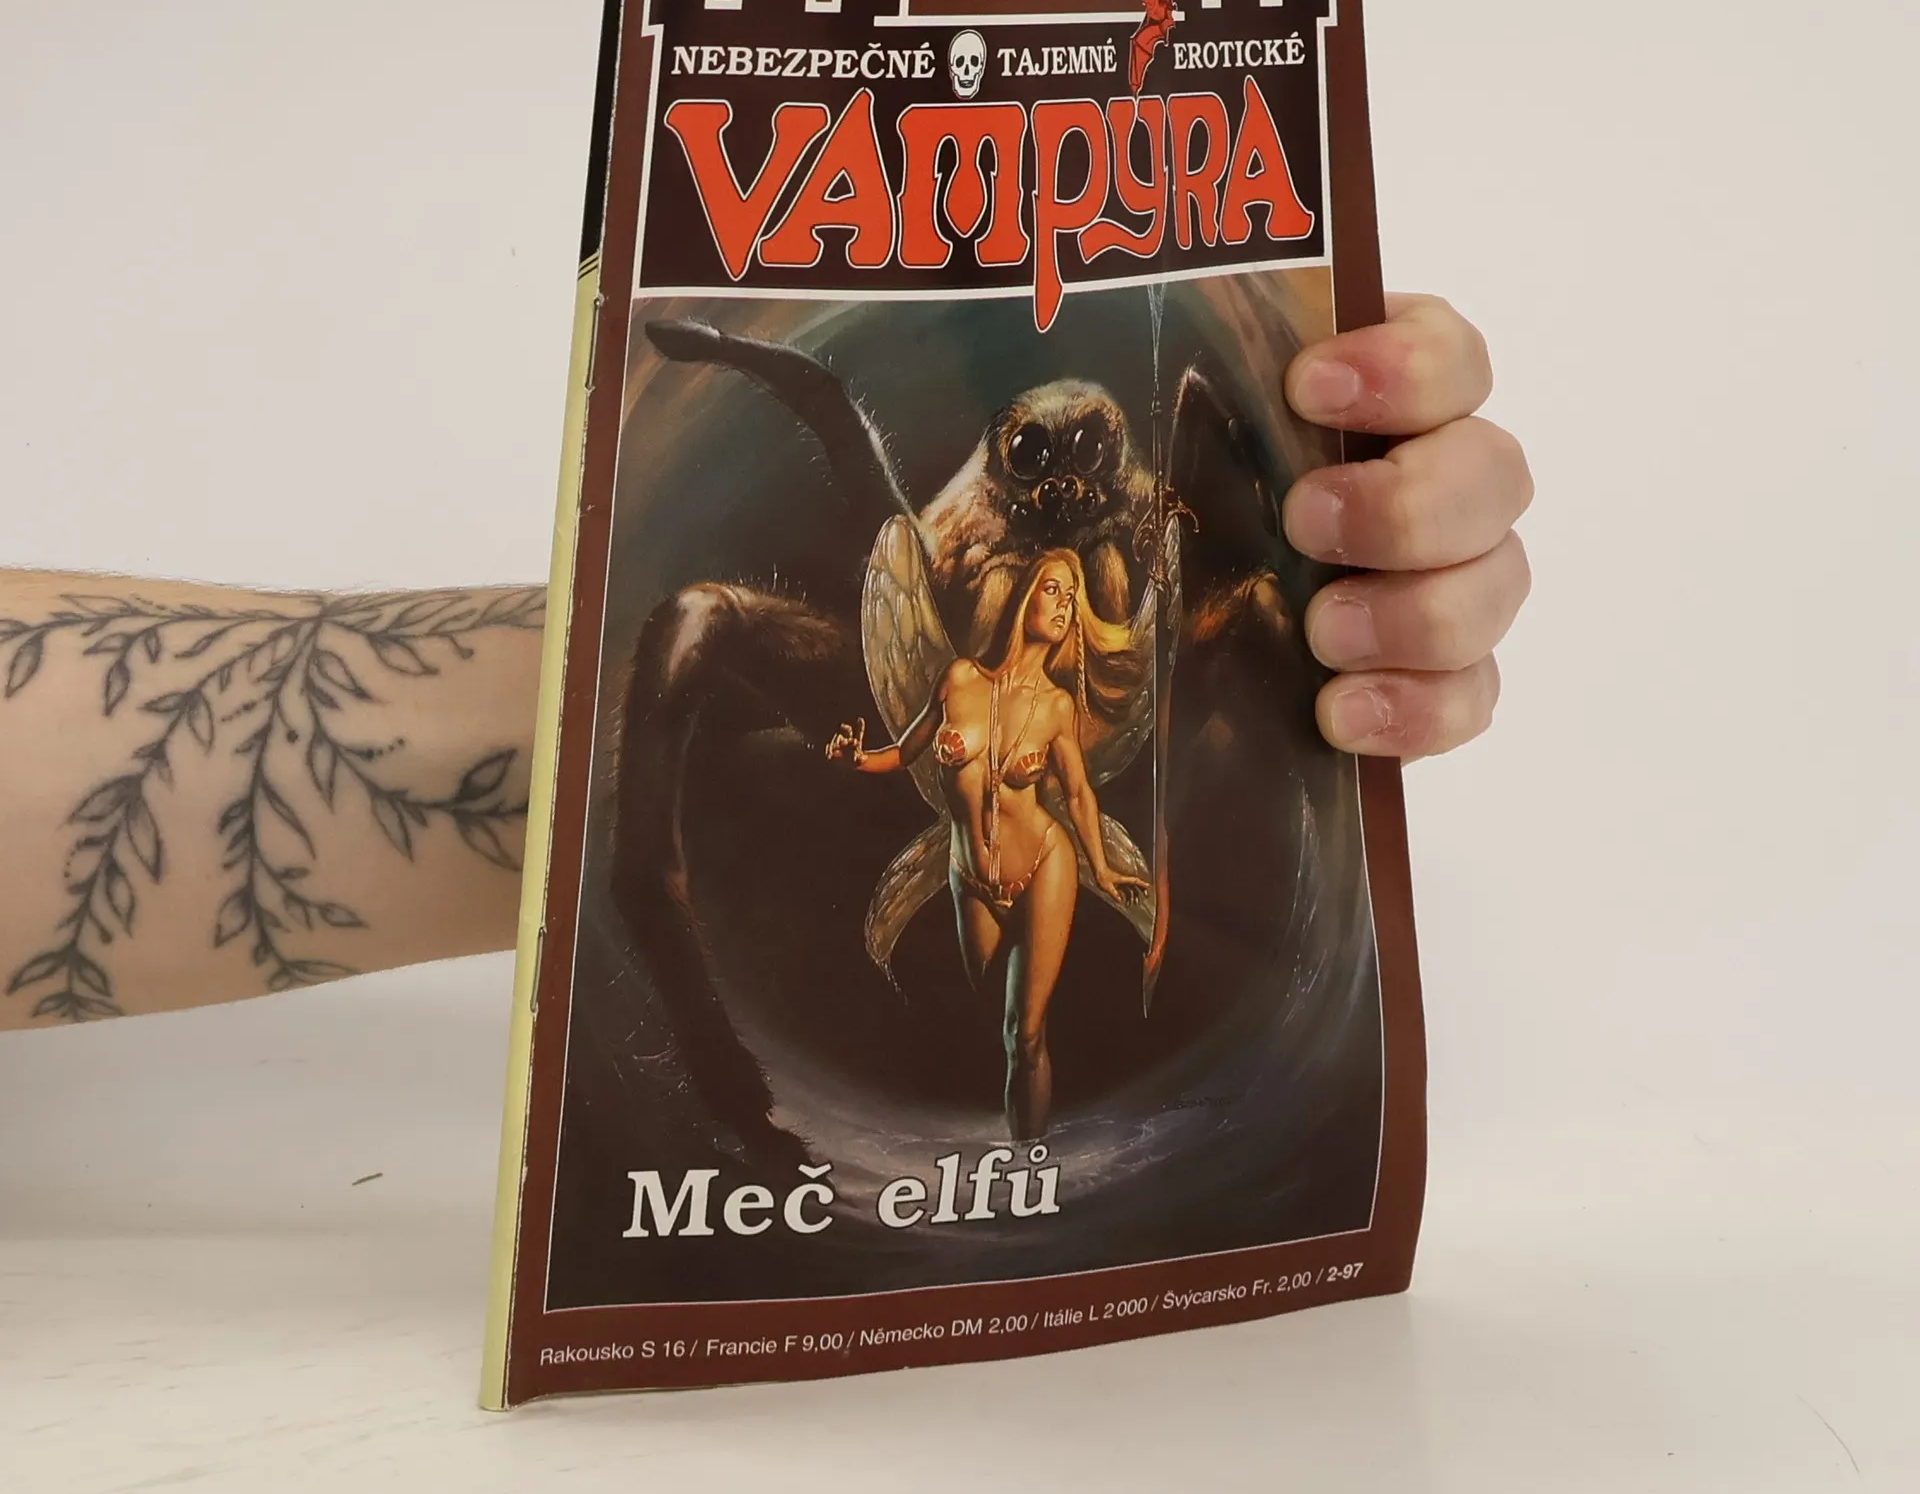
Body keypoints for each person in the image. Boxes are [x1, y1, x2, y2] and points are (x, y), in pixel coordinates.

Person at [0, 294, 1531, 1031]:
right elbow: (831, 451)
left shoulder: (1145, 537)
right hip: (933, 724)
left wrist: (1323, 524)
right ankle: (670, 920)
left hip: (1083, 753)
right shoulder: (935, 555)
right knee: (710, 622)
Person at [826, 548, 1149, 1139]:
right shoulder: (959, 680)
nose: (1063, 604)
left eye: (1072, 598)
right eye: (1053, 589)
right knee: (991, 1021)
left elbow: (1079, 793)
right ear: (1026, 596)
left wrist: (1101, 868)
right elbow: (903, 751)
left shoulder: (1056, 707)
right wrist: (857, 760)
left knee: (1025, 1035)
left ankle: (1029, 1156)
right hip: (969, 877)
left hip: (1044, 863)